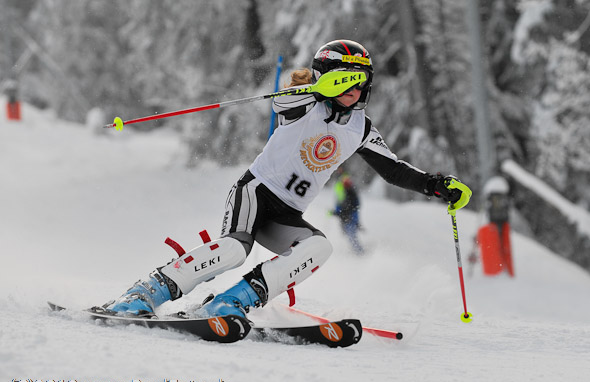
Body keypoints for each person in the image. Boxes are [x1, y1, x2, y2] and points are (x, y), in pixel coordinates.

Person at [103, 39, 472, 318]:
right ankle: (144, 293)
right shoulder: (302, 100)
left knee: (320, 248)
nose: (356, 92)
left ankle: (231, 303)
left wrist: (435, 185)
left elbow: (393, 171)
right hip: (256, 192)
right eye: (348, 83)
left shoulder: (360, 127)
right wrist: (318, 87)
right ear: (328, 79)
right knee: (234, 250)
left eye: (361, 84)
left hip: (286, 214)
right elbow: (286, 100)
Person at [332, 172, 364, 254]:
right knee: (348, 234)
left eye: (347, 181)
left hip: (350, 218)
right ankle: (357, 250)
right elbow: (340, 205)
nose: (346, 182)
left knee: (351, 234)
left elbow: (355, 206)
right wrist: (337, 212)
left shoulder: (351, 193)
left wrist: (344, 213)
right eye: (345, 181)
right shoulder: (342, 192)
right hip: (345, 218)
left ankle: (359, 251)